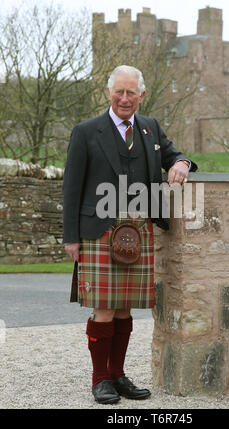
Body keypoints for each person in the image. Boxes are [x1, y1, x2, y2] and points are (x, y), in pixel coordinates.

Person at [63, 65, 197, 404]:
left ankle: (118, 375)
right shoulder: (86, 131)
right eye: (119, 92)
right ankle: (100, 380)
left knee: (125, 309)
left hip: (139, 230)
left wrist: (182, 163)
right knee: (104, 308)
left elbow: (173, 155)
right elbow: (71, 187)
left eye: (131, 93)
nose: (125, 98)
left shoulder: (150, 129)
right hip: (98, 230)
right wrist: (71, 237)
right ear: (110, 93)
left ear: (141, 95)